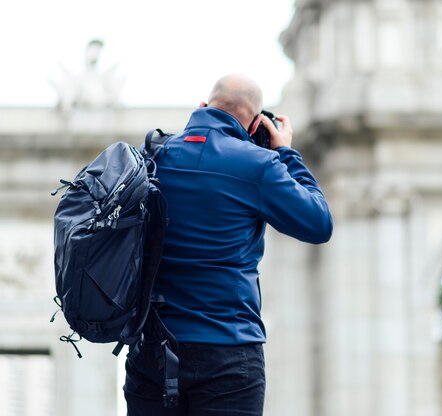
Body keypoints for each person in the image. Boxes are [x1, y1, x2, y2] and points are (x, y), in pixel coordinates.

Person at [123, 73, 333, 415]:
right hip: (229, 353)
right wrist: (286, 153)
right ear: (255, 127)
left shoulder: (152, 159)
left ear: (202, 107)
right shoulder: (259, 166)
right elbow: (318, 223)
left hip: (152, 352)